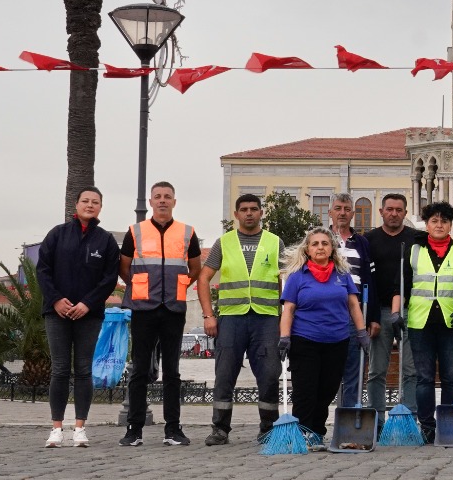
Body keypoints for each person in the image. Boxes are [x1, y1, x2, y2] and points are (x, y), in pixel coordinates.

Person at [35, 186, 122, 448]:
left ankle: (80, 428)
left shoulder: (105, 240)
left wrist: (87, 303)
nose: (90, 205)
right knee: (60, 370)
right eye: (85, 201)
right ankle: (56, 429)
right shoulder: (57, 235)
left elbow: (109, 279)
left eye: (95, 202)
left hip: (89, 314)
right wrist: (56, 300)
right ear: (76, 204)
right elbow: (43, 270)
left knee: (84, 370)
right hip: (57, 312)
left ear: (100, 207)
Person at [119, 181, 203, 447]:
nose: (163, 201)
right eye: (158, 197)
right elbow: (124, 269)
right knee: (139, 369)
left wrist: (178, 287)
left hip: (173, 308)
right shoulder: (135, 232)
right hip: (144, 307)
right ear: (151, 201)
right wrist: (142, 288)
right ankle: (134, 430)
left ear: (174, 202)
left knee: (172, 371)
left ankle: (173, 429)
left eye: (167, 196)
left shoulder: (187, 232)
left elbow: (195, 269)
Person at [197, 194, 284, 446]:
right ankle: (220, 429)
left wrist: (284, 317)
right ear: (236, 214)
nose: (249, 213)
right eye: (244, 209)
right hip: (232, 319)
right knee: (224, 375)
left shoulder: (275, 242)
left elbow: (284, 281)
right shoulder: (223, 243)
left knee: (269, 374)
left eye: (254, 209)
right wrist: (208, 315)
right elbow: (203, 279)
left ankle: (268, 427)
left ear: (261, 213)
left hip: (266, 319)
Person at [279, 228, 368, 446]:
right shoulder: (298, 276)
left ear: (332, 249)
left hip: (337, 340)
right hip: (305, 340)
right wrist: (284, 337)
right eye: (315, 244)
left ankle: (317, 430)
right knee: (306, 389)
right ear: (307, 250)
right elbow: (288, 309)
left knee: (327, 389)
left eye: (325, 244)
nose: (320, 247)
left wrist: (362, 332)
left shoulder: (342, 275)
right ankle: (303, 432)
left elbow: (354, 305)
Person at [407, 202, 453, 444]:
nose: (439, 225)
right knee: (424, 377)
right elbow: (403, 286)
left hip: (451, 323)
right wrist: (398, 314)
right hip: (420, 323)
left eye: (444, 221)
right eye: (434, 221)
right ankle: (427, 425)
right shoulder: (414, 251)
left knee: (450, 376)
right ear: (427, 225)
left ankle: (448, 423)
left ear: (450, 225)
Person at [365, 193, 424, 423]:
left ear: (405, 213)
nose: (394, 214)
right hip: (380, 311)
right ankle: (377, 418)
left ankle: (408, 416)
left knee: (411, 369)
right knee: (377, 370)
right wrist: (370, 316)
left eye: (398, 210)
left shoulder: (416, 238)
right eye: (389, 209)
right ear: (381, 212)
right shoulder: (369, 240)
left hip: (410, 310)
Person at [327, 193, 373, 409]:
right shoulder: (320, 240)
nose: (342, 213)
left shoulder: (362, 243)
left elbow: (369, 280)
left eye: (346, 209)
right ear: (330, 213)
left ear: (352, 213)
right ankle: (318, 423)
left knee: (354, 369)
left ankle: (349, 416)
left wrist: (371, 317)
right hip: (325, 314)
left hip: (354, 314)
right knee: (327, 369)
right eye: (338, 208)